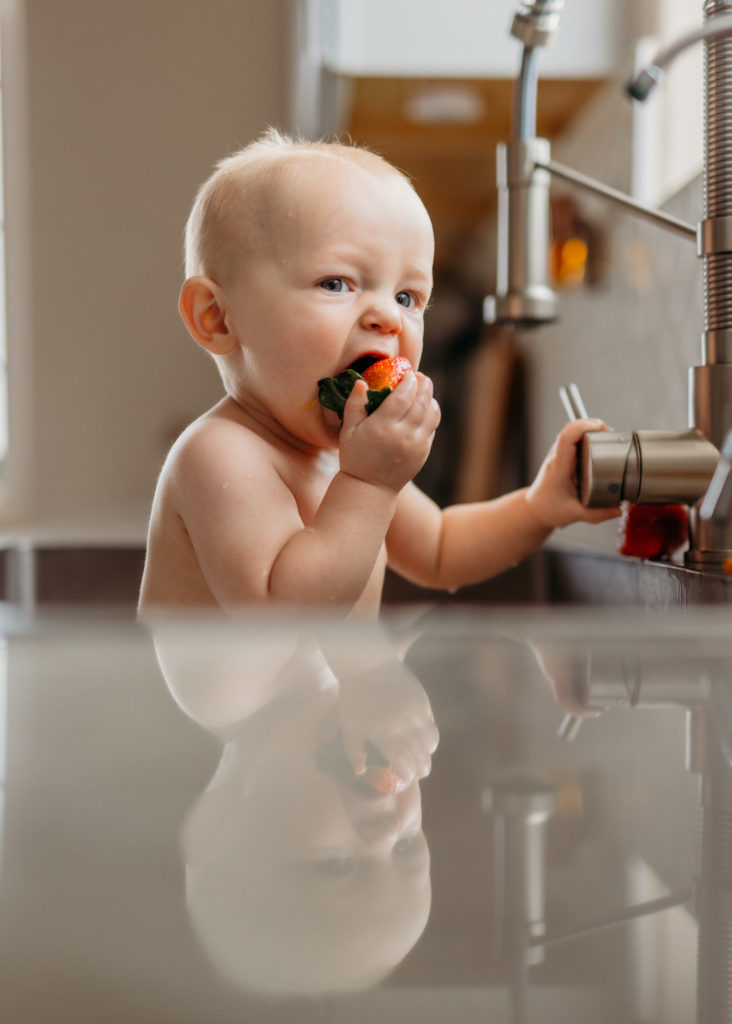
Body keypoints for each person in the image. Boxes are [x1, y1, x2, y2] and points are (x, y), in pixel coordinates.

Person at [138, 128, 617, 615]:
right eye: (336, 283)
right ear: (217, 318)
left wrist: (539, 507)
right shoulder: (219, 455)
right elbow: (280, 619)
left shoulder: (347, 459)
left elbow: (441, 550)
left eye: (408, 297)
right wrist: (369, 485)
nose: (388, 317)